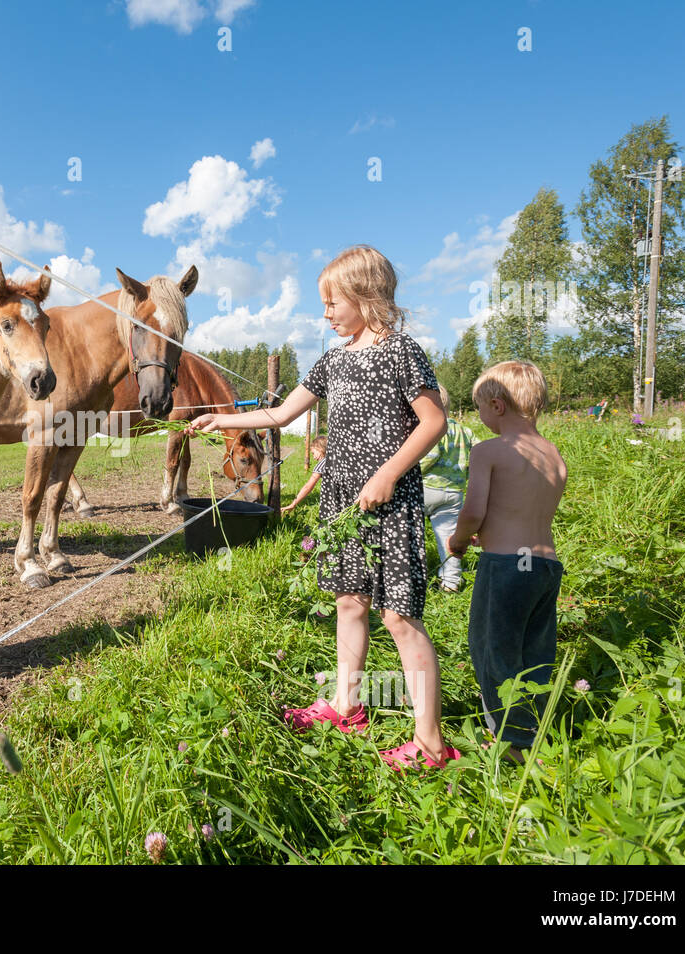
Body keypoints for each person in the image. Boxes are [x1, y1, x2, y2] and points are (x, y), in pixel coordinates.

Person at [188, 245, 456, 770]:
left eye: (332, 302)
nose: (326, 313)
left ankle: (431, 743)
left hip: (389, 500)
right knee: (348, 602)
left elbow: (433, 421)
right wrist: (224, 422)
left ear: (365, 295)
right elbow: (282, 412)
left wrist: (388, 474)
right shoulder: (333, 360)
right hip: (340, 501)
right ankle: (346, 704)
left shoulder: (403, 353)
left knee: (400, 616)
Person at [446, 361, 567, 763]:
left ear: (496, 406)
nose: (479, 417)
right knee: (535, 651)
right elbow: (524, 510)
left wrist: (460, 542)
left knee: (492, 649)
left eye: (479, 407)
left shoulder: (489, 451)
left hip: (506, 567)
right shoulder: (553, 455)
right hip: (544, 566)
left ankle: (509, 741)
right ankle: (532, 726)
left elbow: (474, 510)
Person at [421, 384, 474, 592]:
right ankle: (451, 582)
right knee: (448, 537)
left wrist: (405, 471)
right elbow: (476, 455)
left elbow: (429, 456)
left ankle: (414, 576)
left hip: (426, 488)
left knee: (411, 532)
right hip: (454, 492)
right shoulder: (465, 431)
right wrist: (465, 476)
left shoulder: (432, 426)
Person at [282, 436, 327, 513]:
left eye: (313, 453)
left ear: (319, 448)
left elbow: (308, 486)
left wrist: (293, 504)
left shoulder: (321, 464)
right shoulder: (335, 460)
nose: (314, 457)